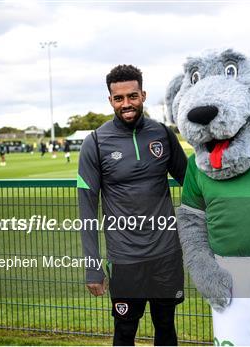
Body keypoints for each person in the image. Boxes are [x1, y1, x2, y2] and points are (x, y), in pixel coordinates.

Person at [77, 64, 187, 346]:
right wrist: (93, 265)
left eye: (132, 96)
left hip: (166, 254)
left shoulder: (162, 134)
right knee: (125, 332)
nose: (126, 104)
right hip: (125, 259)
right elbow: (87, 209)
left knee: (166, 327)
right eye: (119, 98)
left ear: (143, 95)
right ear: (110, 100)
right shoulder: (96, 142)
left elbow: (193, 184)